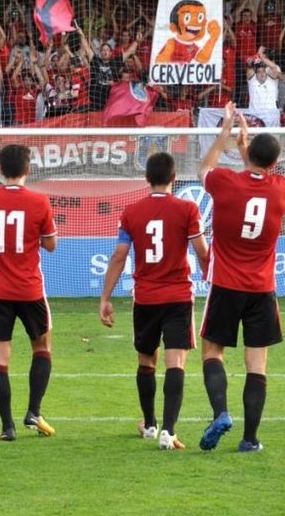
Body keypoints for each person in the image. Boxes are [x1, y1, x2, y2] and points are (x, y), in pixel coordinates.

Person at [99, 152, 210, 451]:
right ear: (174, 178)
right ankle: (169, 431)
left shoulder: (132, 212)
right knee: (176, 362)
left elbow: (119, 256)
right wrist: (211, 276)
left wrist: (105, 298)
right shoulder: (188, 209)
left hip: (145, 298)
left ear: (147, 179)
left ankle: (149, 425)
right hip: (177, 297)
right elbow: (201, 251)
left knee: (146, 360)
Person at [196, 101, 285, 453]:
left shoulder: (224, 182)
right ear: (275, 163)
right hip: (261, 288)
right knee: (257, 364)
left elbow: (205, 166)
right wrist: (246, 146)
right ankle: (250, 439)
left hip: (225, 284)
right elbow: (260, 170)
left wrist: (226, 135)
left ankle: (220, 412)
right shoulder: (280, 188)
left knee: (212, 351)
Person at [0, 144, 58, 442]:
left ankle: (7, 427)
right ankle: (34, 410)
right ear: (27, 170)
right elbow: (51, 244)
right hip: (30, 289)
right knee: (42, 346)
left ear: (0, 170)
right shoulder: (40, 201)